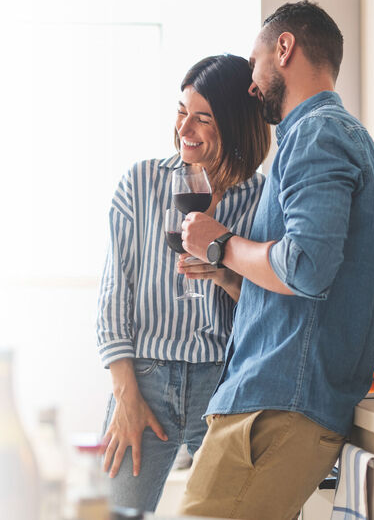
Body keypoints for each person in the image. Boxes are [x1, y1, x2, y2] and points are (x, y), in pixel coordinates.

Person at [177, 1, 374, 520]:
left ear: (284, 48)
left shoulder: (316, 134)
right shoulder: (333, 135)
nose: (251, 84)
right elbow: (304, 272)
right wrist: (231, 271)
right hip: (276, 402)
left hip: (276, 405)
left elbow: (306, 268)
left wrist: (219, 242)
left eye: (254, 65)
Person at [95, 53, 271, 514]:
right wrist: (125, 394)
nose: (184, 129)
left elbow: (262, 309)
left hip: (222, 384)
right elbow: (115, 293)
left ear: (232, 123)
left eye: (202, 118)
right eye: (181, 111)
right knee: (114, 512)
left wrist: (224, 272)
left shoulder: (259, 197)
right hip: (144, 381)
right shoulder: (140, 183)